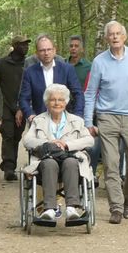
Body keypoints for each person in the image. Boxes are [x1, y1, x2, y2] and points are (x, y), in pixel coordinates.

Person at [83, 20, 128, 224]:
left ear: (124, 37)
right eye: (111, 34)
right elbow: (90, 93)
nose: (114, 37)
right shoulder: (99, 61)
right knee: (111, 163)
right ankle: (115, 206)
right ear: (107, 38)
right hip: (107, 117)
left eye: (118, 34)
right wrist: (89, 121)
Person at [22, 83, 94, 223]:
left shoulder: (77, 121)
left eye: (60, 100)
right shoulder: (39, 120)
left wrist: (67, 144)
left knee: (71, 162)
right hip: (46, 161)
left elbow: (90, 140)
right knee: (49, 163)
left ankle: (71, 208)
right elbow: (27, 140)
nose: (57, 103)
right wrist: (48, 145)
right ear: (47, 102)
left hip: (70, 159)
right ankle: (49, 209)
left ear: (65, 102)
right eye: (53, 99)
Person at [18, 34, 84, 120]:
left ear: (54, 50)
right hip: (39, 121)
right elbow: (23, 98)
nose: (46, 53)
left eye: (49, 49)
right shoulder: (30, 72)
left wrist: (77, 115)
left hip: (65, 120)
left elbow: (78, 93)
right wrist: (30, 115)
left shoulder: (67, 69)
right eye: (42, 50)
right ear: (37, 53)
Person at [0, 34, 30, 181]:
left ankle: (10, 164)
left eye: (27, 45)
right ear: (14, 46)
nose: (25, 47)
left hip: (23, 106)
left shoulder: (29, 64)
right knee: (8, 135)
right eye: (22, 45)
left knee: (16, 135)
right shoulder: (1, 64)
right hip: (5, 106)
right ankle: (9, 167)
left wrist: (23, 106)